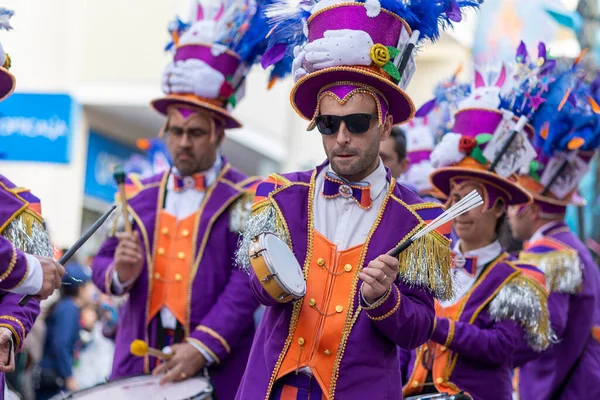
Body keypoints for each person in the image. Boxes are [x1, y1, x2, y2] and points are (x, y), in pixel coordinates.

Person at [236, 0, 481, 398]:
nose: (342, 138)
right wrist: (268, 273)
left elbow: (418, 329)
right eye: (329, 124)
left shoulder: (421, 219)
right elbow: (257, 290)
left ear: (385, 124)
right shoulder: (281, 194)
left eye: (358, 123)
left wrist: (385, 300)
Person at [91, 2, 273, 398]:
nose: (183, 142)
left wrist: (202, 346)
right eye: (175, 132)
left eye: (195, 132)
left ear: (218, 134)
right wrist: (121, 274)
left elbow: (246, 284)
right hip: (137, 364)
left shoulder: (249, 198)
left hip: (217, 368)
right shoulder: (135, 196)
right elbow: (102, 263)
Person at [401, 49, 553, 399]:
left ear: (499, 206)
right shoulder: (429, 263)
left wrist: (433, 326)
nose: (458, 209)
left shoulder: (517, 281)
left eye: (472, 199)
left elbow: (501, 347)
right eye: (453, 199)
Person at [507, 66, 600, 399]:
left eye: (515, 202)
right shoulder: (567, 246)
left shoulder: (550, 253)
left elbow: (541, 339)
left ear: (530, 209)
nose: (508, 211)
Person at [0, 9, 65, 400]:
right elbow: (31, 275)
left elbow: (23, 301)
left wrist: (7, 326)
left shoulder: (19, 206)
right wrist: (26, 269)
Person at [35, 264, 95, 400]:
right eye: (89, 285)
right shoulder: (69, 308)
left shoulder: (67, 306)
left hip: (53, 377)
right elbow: (61, 344)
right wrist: (69, 376)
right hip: (54, 380)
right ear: (81, 289)